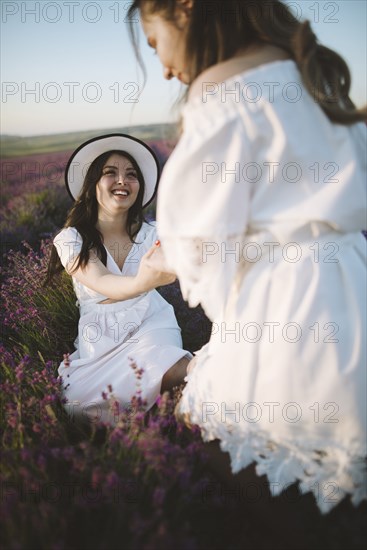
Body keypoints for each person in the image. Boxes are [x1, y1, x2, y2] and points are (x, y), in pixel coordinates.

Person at [128, 0, 367, 513]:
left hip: (288, 303)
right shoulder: (311, 73)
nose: (165, 68)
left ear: (185, 8)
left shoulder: (221, 94)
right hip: (352, 278)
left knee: (265, 469)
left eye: (155, 45)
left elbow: (199, 242)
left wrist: (164, 263)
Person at [46, 134, 192, 426]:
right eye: (110, 173)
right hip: (98, 339)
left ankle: (201, 375)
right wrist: (143, 282)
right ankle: (188, 396)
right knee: (78, 404)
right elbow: (102, 281)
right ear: (92, 186)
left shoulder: (154, 234)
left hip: (151, 323)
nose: (122, 181)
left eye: (131, 175)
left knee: (161, 361)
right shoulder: (71, 239)